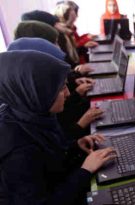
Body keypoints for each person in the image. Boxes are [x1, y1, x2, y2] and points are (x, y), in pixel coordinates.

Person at [0, 49, 115, 204]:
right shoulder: (17, 152)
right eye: (61, 89)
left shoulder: (34, 113)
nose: (68, 93)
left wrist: (74, 146)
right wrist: (85, 171)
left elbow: (50, 162)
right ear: (37, 92)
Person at [7, 37, 104, 140]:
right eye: (55, 41)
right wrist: (80, 125)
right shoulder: (20, 134)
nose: (67, 93)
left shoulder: (34, 108)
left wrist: (76, 145)